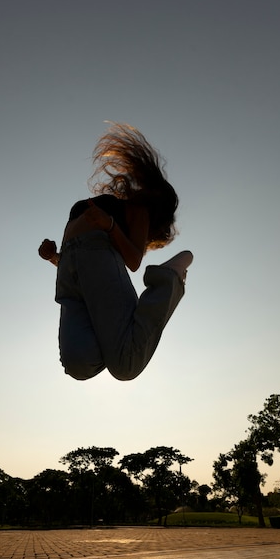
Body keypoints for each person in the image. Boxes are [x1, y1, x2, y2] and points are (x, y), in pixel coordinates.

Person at [39, 122, 193, 381]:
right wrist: (54, 257)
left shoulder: (139, 210)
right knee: (78, 364)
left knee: (125, 366)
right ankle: (118, 342)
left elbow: (133, 261)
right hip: (70, 271)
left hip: (98, 257)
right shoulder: (121, 205)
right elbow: (79, 261)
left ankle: (169, 280)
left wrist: (109, 225)